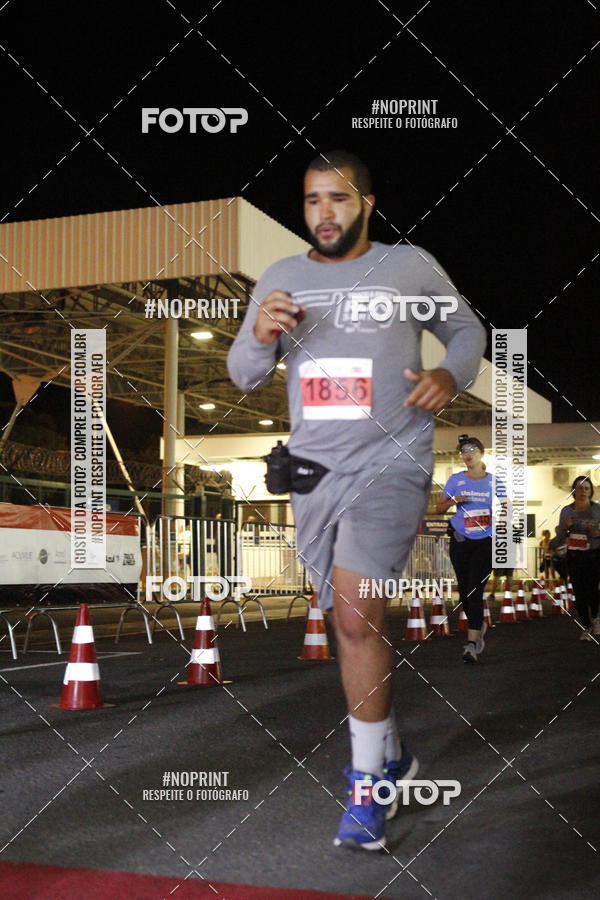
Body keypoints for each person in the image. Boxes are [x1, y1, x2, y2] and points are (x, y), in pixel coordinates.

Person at [227, 151, 486, 850]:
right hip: (314, 475)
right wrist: (259, 334)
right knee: (347, 625)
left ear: (367, 204)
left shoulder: (410, 267)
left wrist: (447, 374)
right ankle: (393, 758)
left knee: (356, 610)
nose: (324, 213)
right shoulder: (281, 279)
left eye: (338, 199)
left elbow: (467, 332)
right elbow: (244, 373)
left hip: (391, 464)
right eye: (312, 201)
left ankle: (368, 787)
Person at [436, 435, 498, 663]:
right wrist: (453, 501)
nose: (467, 454)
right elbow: (439, 508)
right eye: (463, 451)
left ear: (481, 453)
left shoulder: (494, 482)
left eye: (471, 449)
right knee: (464, 591)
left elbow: (506, 509)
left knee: (475, 589)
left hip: (485, 542)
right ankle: (477, 623)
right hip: (461, 541)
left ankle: (471, 644)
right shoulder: (455, 480)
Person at [554, 476, 600, 640]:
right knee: (579, 594)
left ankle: (595, 617)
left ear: (591, 491)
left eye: (586, 488)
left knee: (592, 592)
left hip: (594, 555)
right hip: (575, 556)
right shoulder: (567, 511)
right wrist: (565, 528)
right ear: (574, 491)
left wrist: (598, 533)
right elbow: (559, 535)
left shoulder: (597, 509)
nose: (583, 491)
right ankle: (586, 626)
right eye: (579, 488)